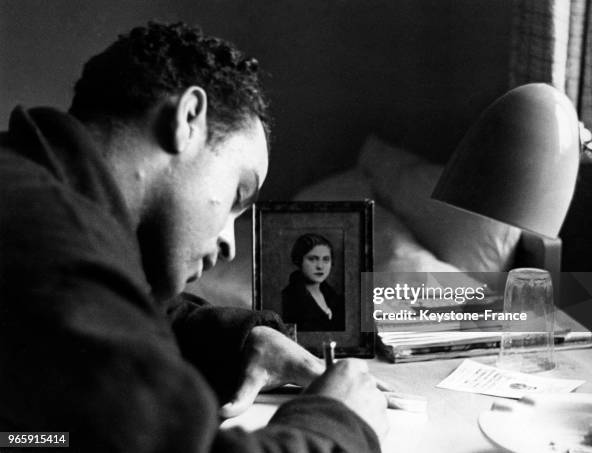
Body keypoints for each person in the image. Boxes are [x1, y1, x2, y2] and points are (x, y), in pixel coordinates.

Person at [0, 22, 387, 452]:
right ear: (188, 118)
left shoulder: (32, 195)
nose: (230, 243)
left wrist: (240, 342)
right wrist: (335, 424)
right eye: (238, 193)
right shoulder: (51, 245)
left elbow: (108, 313)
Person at [282, 233, 345, 331]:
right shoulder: (288, 297)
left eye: (326, 259)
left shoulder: (335, 298)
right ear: (299, 260)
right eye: (312, 259)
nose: (320, 266)